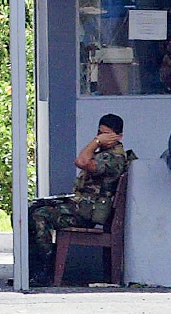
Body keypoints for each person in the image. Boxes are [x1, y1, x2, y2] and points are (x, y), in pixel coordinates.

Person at [27, 113, 129, 287]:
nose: (101, 138)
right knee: (29, 209)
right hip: (81, 206)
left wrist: (95, 142)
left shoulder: (113, 158)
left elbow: (81, 161)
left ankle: (47, 268)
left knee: (40, 216)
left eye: (106, 135)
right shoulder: (103, 153)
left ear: (118, 136)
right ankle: (32, 269)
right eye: (99, 133)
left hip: (88, 214)